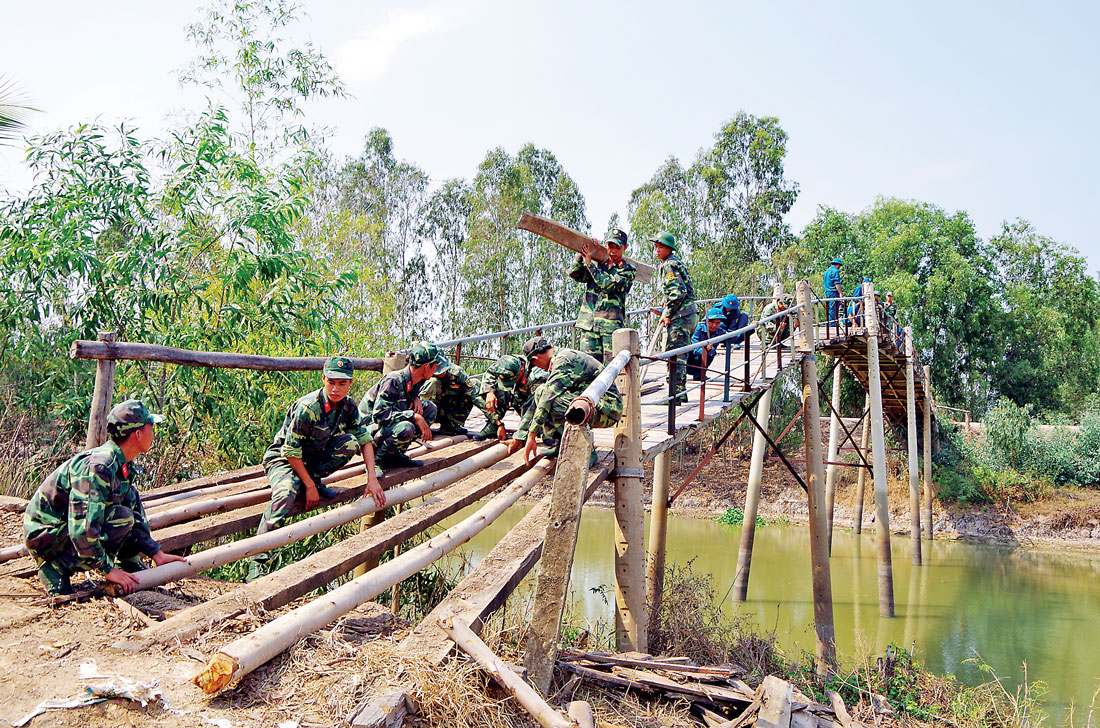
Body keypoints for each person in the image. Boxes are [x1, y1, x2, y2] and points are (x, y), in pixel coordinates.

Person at [23, 400, 187, 595]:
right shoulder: (99, 467)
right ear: (138, 434)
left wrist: (155, 553)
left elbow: (135, 514)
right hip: (46, 536)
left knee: (128, 507)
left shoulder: (121, 464)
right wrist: (107, 570)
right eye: (151, 427)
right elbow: (82, 530)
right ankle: (56, 567)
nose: (153, 434)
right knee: (120, 517)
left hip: (63, 529)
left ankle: (129, 561)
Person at [249, 357, 382, 581]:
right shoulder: (308, 408)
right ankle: (257, 560)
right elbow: (290, 451)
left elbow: (364, 440)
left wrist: (372, 479)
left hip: (311, 458)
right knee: (285, 494)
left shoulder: (348, 406)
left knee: (349, 443)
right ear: (323, 379)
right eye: (331, 382)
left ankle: (313, 480)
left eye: (342, 383)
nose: (335, 388)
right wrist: (309, 486)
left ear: (350, 383)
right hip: (283, 459)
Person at [513, 336, 623, 466]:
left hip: (607, 409)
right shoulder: (561, 356)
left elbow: (547, 398)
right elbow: (541, 397)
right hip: (590, 404)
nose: (540, 369)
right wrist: (520, 436)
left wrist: (531, 436)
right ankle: (560, 443)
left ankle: (587, 451)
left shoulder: (564, 360)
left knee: (554, 401)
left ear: (536, 359)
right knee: (540, 391)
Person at [359, 342, 442, 469]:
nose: (436, 369)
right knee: (406, 427)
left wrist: (415, 397)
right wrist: (414, 416)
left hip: (385, 426)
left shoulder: (417, 380)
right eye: (435, 366)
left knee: (430, 409)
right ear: (426, 367)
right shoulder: (393, 380)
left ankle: (395, 455)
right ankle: (376, 461)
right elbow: (380, 415)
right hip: (368, 430)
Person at [567, 228, 637, 362]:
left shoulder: (628, 270)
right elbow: (574, 273)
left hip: (610, 328)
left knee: (610, 369)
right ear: (606, 245)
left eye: (618, 247)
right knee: (589, 368)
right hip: (589, 325)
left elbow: (608, 285)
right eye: (610, 246)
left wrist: (590, 264)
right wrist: (582, 254)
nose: (613, 251)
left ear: (625, 247)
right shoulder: (599, 265)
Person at [649, 231, 697, 404]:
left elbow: (678, 293)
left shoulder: (669, 265)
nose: (657, 250)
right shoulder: (676, 263)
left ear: (669, 248)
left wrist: (668, 313)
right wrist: (664, 303)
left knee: (674, 356)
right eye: (655, 246)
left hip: (681, 318)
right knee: (680, 355)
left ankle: (673, 396)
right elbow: (679, 289)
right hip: (689, 315)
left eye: (660, 246)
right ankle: (680, 393)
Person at [471, 354, 547, 442]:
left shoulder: (536, 375)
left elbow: (532, 408)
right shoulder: (505, 364)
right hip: (517, 399)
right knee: (491, 389)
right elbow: (490, 373)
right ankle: (493, 425)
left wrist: (520, 435)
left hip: (534, 409)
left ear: (521, 370)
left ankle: (541, 431)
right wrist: (489, 392)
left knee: (543, 434)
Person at [419, 355, 492, 437]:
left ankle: (452, 424)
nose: (441, 374)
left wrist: (494, 419)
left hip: (449, 407)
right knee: (433, 382)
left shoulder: (457, 373)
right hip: (431, 410)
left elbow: (474, 396)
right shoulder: (426, 373)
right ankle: (423, 426)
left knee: (475, 384)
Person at [686, 307, 728, 381]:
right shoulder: (698, 330)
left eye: (717, 323)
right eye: (711, 322)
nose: (714, 325)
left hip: (702, 361)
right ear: (706, 321)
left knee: (712, 351)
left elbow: (734, 337)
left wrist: (750, 329)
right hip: (689, 361)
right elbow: (694, 349)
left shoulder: (719, 332)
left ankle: (699, 375)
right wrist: (705, 349)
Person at [823, 258, 844, 326]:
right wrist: (840, 293)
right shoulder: (835, 271)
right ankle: (832, 325)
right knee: (834, 309)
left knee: (829, 308)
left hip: (827, 292)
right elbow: (837, 283)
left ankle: (830, 323)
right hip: (833, 292)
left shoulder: (826, 272)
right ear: (838, 265)